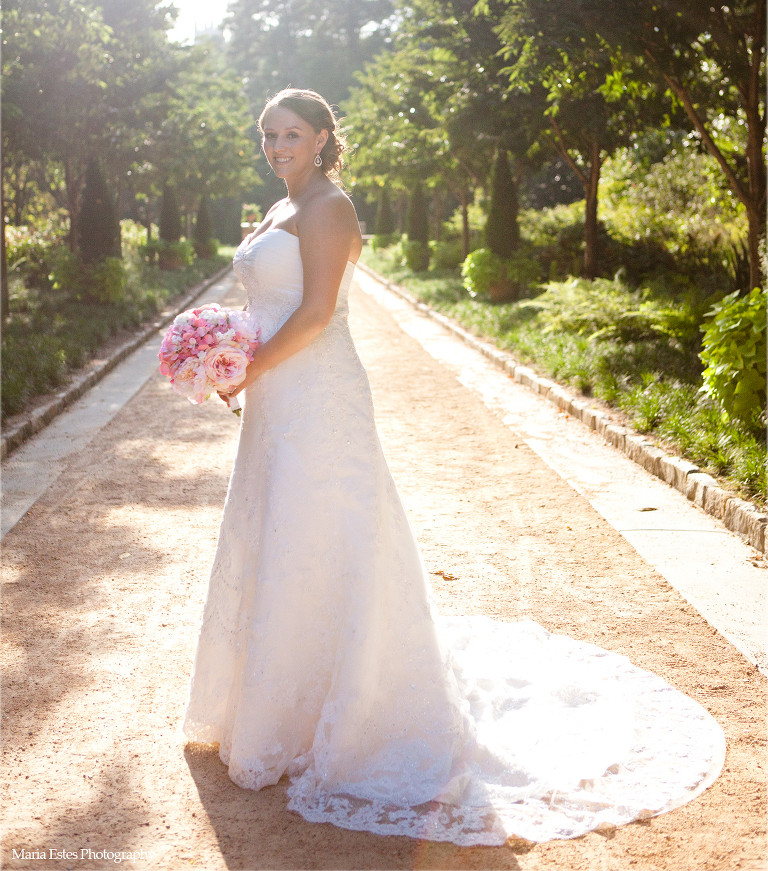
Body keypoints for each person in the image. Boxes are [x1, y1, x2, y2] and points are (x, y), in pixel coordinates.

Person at [182, 87, 724, 846]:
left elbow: (314, 313)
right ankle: (274, 711)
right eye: (268, 134)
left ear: (321, 138)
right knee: (278, 532)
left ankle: (350, 712)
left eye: (291, 134)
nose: (276, 146)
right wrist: (225, 346)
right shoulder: (279, 206)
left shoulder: (328, 207)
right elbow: (271, 301)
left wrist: (248, 368)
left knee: (325, 532)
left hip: (317, 394)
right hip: (277, 396)